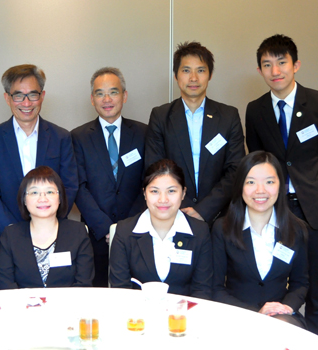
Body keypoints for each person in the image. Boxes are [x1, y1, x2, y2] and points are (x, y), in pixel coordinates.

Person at [245, 34, 318, 337]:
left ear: (296, 64)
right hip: (276, 211)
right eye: (267, 64)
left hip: (314, 211)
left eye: (282, 62)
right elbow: (259, 161)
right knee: (276, 287)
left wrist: (315, 190)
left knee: (315, 289)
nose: (275, 71)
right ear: (260, 70)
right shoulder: (256, 109)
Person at [0, 64, 78, 266]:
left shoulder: (60, 137)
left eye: (33, 95)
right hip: (6, 238)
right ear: (7, 98)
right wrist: (12, 231)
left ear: (42, 96)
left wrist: (46, 225)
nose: (26, 102)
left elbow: (69, 185)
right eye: (18, 95)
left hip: (53, 237)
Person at [146, 42, 245, 223]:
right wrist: (180, 207)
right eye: (186, 71)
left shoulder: (228, 116)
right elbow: (155, 169)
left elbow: (236, 170)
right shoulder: (160, 116)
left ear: (210, 75)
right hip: (174, 215)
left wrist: (204, 210)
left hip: (220, 217)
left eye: (200, 70)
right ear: (176, 76)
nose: (193, 78)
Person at [212, 151, 308, 328]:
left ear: (281, 185)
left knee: (280, 329)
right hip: (237, 315)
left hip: (281, 316)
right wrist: (256, 313)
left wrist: (286, 307)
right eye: (251, 182)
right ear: (240, 186)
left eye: (269, 182)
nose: (260, 190)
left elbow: (300, 283)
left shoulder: (296, 229)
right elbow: (216, 289)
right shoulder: (222, 228)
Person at [71, 67, 147, 287]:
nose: (107, 99)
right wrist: (106, 228)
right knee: (98, 297)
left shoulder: (144, 133)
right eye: (99, 93)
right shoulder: (78, 137)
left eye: (113, 92)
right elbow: (79, 186)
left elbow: (149, 183)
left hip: (136, 233)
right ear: (92, 99)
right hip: (95, 236)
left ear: (124, 96)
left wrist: (125, 227)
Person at [109, 159, 212, 299]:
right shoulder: (125, 232)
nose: (163, 200)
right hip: (137, 318)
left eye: (171, 191)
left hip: (183, 318)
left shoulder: (200, 232)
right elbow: (120, 290)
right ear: (145, 194)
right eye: (154, 191)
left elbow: (202, 290)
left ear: (183, 193)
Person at [0, 166, 94, 289]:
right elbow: (6, 287)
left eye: (50, 192)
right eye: (34, 192)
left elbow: (83, 285)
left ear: (60, 198)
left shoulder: (78, 232)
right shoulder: (10, 235)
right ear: (24, 200)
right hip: (23, 307)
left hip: (68, 307)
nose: (43, 199)